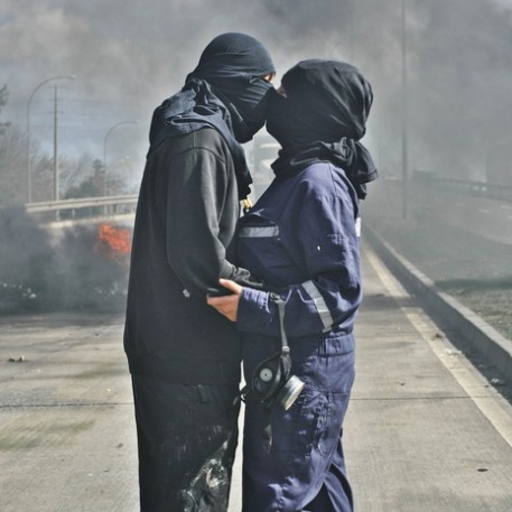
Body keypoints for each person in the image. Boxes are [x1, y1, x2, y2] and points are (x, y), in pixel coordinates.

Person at [207, 59, 378, 512]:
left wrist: (253, 307)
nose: (274, 100)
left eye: (285, 93)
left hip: (302, 374)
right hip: (296, 368)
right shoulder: (297, 176)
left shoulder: (317, 182)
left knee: (279, 496)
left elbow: (339, 291)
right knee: (320, 491)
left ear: (314, 109)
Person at [123, 32, 275, 512]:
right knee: (192, 494)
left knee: (181, 490)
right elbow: (198, 258)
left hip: (179, 343)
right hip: (186, 350)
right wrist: (266, 294)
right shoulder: (201, 141)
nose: (268, 100)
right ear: (239, 81)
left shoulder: (199, 130)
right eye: (265, 85)